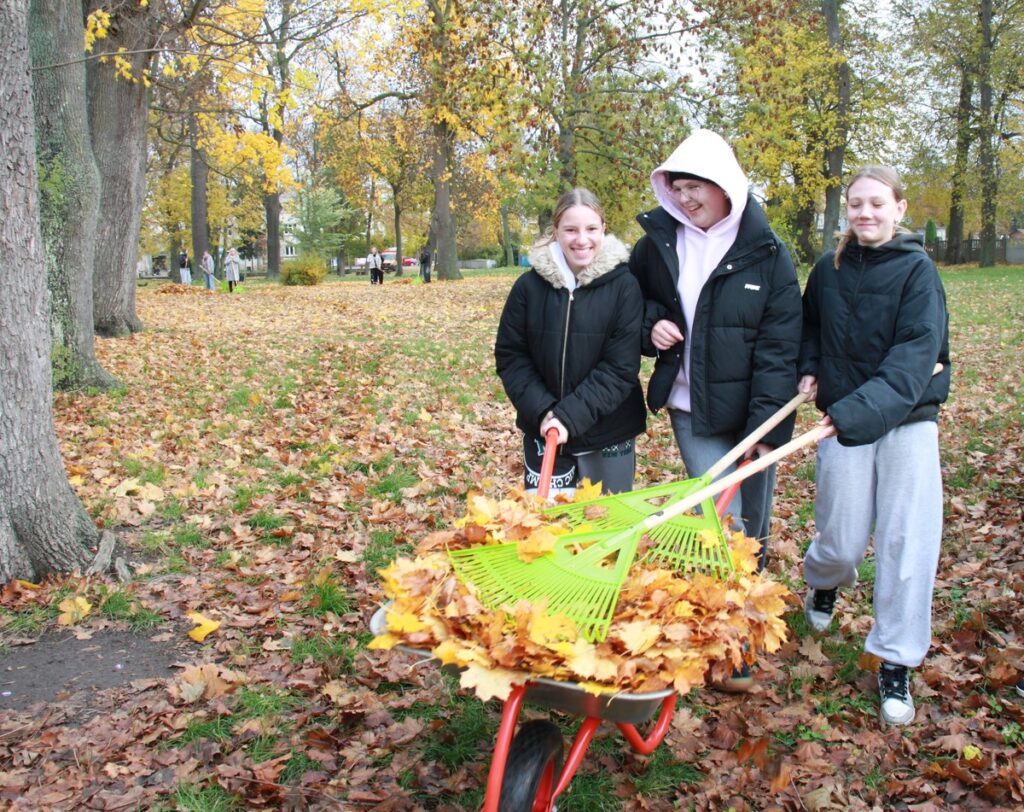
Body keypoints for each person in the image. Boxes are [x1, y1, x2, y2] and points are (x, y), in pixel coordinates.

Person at [629, 128, 801, 693]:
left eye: (695, 186)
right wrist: (649, 326)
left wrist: (763, 431)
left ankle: (749, 617)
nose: (685, 199)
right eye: (676, 188)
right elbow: (632, 304)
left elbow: (780, 349)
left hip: (755, 412)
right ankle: (730, 650)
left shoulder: (770, 254)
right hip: (692, 406)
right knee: (719, 524)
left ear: (725, 185)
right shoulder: (658, 243)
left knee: (751, 526)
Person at [798, 165, 951, 728]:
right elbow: (808, 328)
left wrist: (851, 411)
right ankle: (824, 583)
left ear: (899, 209)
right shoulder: (827, 269)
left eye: (877, 204)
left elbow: (915, 357)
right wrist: (809, 368)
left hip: (907, 420)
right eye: (856, 204)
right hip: (841, 419)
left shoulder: (918, 273)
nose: (865, 214)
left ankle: (895, 657)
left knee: (906, 542)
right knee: (839, 538)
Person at [495, 187, 646, 496]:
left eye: (591, 228)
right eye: (570, 229)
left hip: (609, 431)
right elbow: (511, 355)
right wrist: (545, 412)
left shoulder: (625, 287)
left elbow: (620, 367)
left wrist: (569, 416)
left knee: (606, 527)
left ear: (603, 228)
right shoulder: (528, 287)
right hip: (544, 429)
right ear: (556, 232)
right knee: (548, 530)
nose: (582, 239)